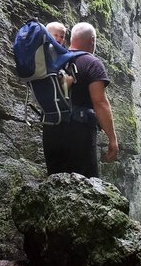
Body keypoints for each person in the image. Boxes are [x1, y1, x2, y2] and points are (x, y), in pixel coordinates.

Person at [42, 22, 119, 178]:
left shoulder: (54, 60)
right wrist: (112, 139)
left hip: (51, 130)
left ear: (71, 39)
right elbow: (100, 102)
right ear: (92, 40)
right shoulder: (91, 63)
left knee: (55, 183)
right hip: (79, 133)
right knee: (85, 186)